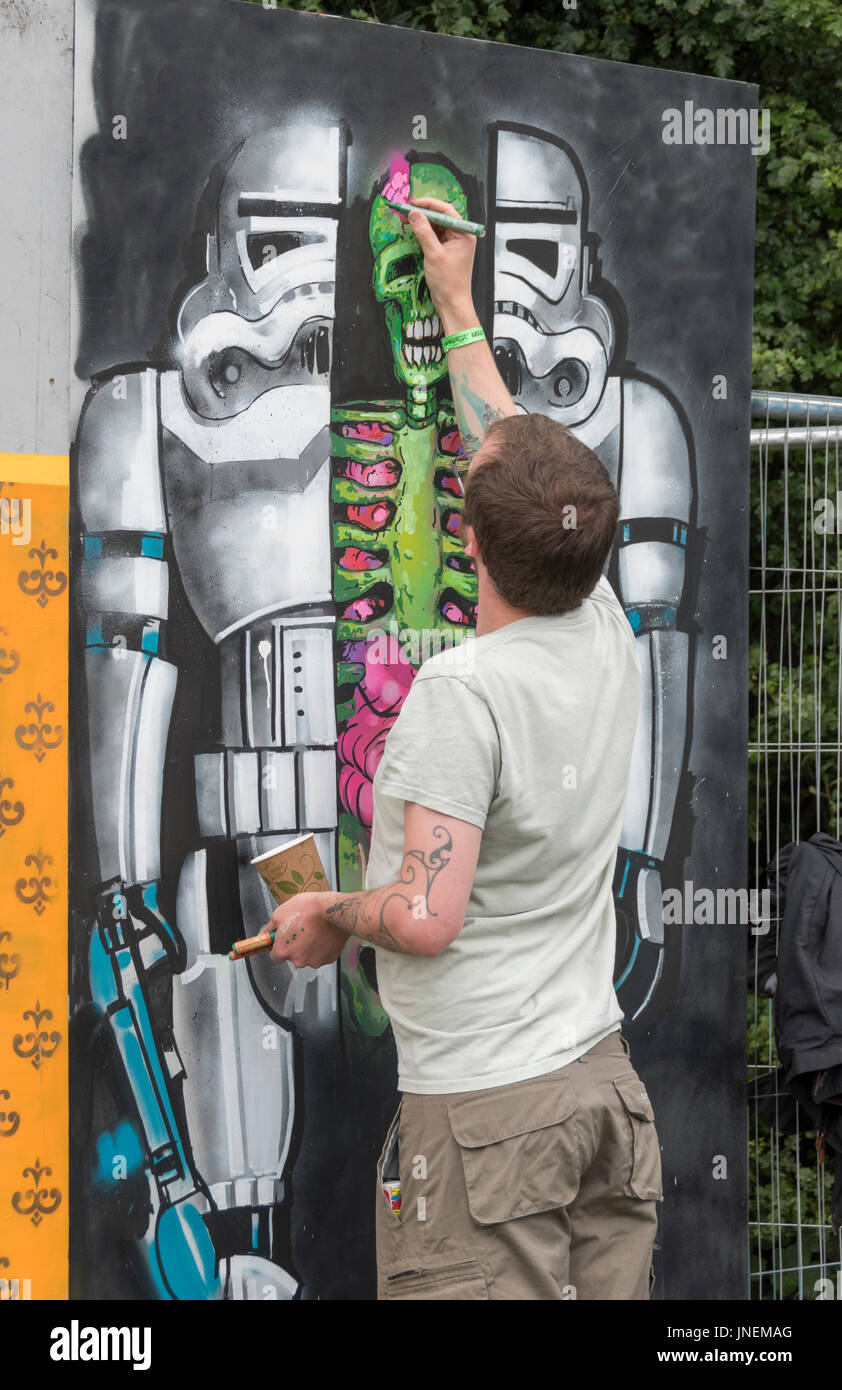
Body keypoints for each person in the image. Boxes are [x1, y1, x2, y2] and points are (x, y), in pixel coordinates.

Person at [268, 196, 663, 1300]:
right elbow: (510, 446)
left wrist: (329, 915)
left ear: (471, 540)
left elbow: (425, 917)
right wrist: (453, 303)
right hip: (597, 1089)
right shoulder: (606, 629)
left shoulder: (462, 693)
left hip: (491, 1120)